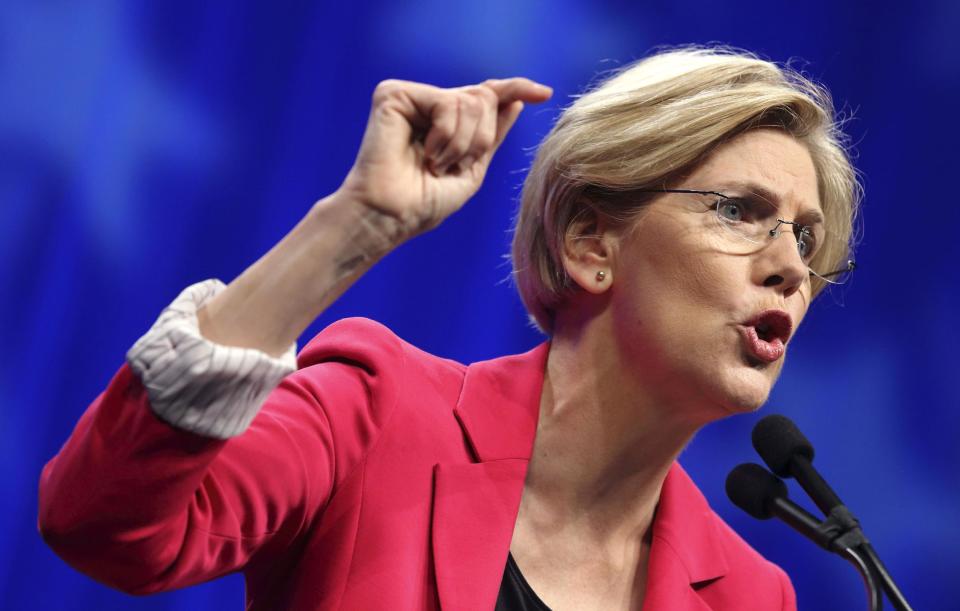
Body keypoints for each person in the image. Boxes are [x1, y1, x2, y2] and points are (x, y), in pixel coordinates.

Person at [38, 46, 859, 610]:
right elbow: (103, 523)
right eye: (740, 211)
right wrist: (355, 225)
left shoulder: (753, 592)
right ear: (590, 242)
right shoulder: (378, 413)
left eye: (807, 239)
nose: (790, 265)